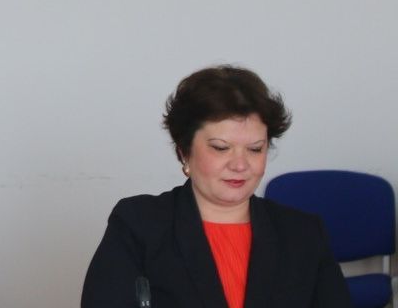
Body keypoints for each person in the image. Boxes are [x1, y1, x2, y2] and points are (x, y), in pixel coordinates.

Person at [81, 65, 351, 308]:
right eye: (221, 148)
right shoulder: (139, 223)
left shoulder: (303, 233)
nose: (240, 165)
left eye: (255, 149)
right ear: (184, 152)